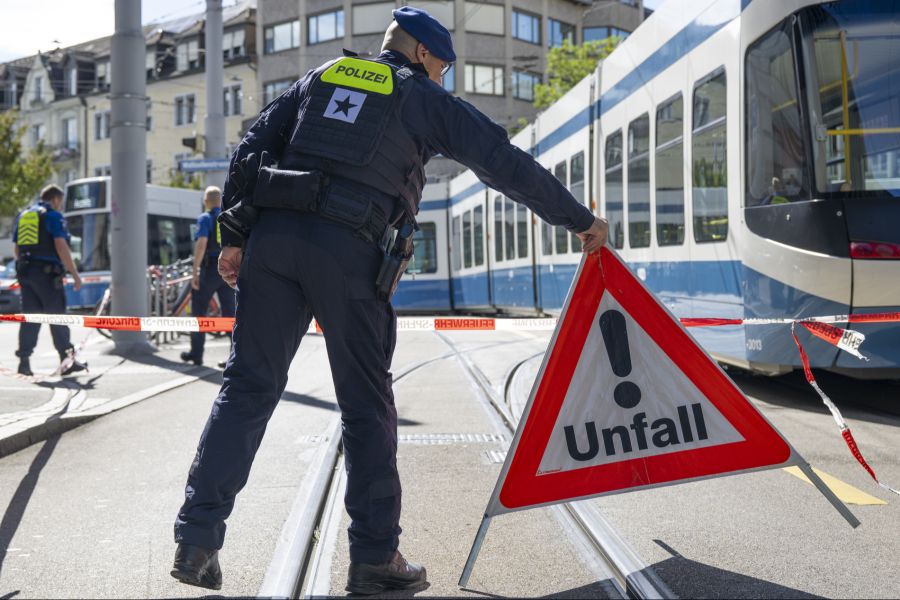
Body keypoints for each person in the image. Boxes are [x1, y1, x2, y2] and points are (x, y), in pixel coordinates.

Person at [171, 6, 609, 595]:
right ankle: (375, 558)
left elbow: (251, 148)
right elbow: (502, 163)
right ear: (424, 55)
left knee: (247, 388)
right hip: (349, 250)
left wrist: (234, 237)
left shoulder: (320, 77)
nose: (443, 79)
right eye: (444, 68)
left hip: (273, 245)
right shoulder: (422, 98)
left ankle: (196, 540)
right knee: (365, 406)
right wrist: (577, 219)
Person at [13, 184, 87, 377]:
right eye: (60, 202)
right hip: (46, 274)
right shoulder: (52, 215)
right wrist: (75, 274)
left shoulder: (25, 215)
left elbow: (17, 249)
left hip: (26, 272)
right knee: (57, 316)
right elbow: (60, 245)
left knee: (31, 317)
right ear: (55, 199)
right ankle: (67, 360)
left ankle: (24, 362)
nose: (60, 206)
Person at [180, 186, 236, 368]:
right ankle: (236, 357)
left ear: (206, 202)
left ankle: (196, 354)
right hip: (227, 269)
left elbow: (201, 244)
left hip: (209, 270)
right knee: (230, 314)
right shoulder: (229, 216)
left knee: (199, 312)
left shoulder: (204, 218)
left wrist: (195, 271)